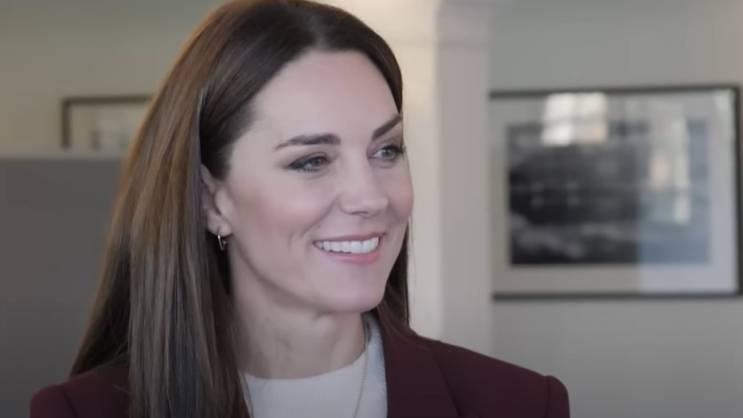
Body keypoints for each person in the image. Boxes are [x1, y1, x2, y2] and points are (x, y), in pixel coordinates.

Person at [30, 1, 569, 417]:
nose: (370, 197)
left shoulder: (520, 404)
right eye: (312, 160)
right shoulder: (79, 412)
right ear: (210, 200)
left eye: (386, 150)